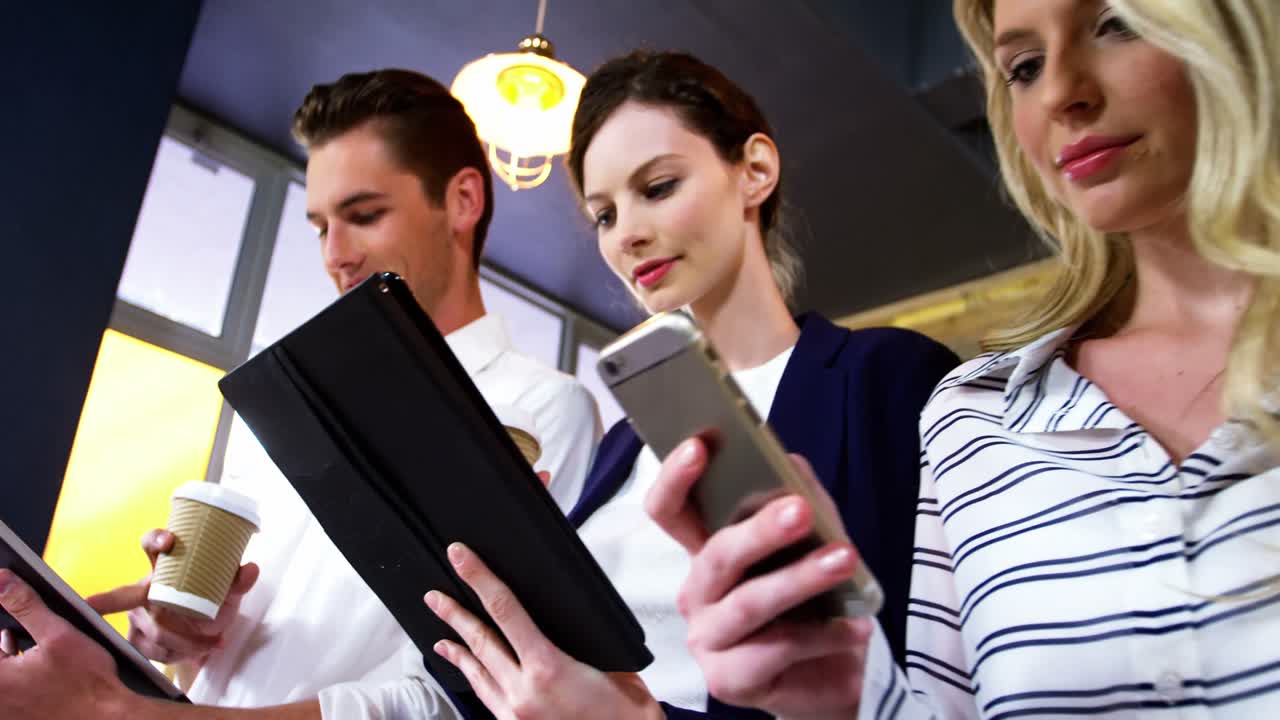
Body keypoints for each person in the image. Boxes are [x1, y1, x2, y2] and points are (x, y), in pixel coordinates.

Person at [644, 1, 1280, 718]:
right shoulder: (972, 415)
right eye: (1024, 68)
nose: (1059, 92)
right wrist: (849, 695)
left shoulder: (890, 378)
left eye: (1115, 23)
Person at [0, 68, 601, 720]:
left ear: (461, 201)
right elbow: (221, 662)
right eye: (319, 226)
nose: (335, 255)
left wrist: (120, 713)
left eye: (364, 216)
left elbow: (461, 693)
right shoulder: (284, 400)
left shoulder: (541, 412)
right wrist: (181, 633)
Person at [416, 50, 959, 719]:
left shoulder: (888, 382)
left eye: (658, 187)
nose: (626, 235)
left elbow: (913, 688)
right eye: (604, 215)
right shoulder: (623, 445)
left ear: (754, 170)